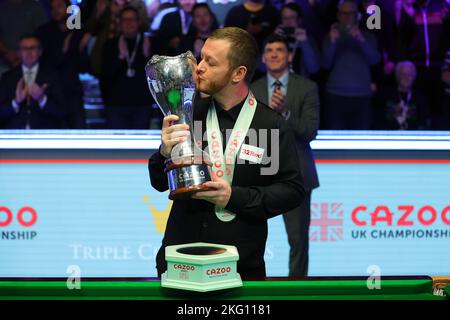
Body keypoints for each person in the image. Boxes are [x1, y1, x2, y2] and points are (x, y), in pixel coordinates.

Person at [148, 27, 306, 279]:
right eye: (201, 58)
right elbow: (158, 183)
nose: (199, 67)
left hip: (239, 268)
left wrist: (234, 197)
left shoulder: (268, 124)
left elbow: (291, 191)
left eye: (210, 62)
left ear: (238, 73)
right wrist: (163, 153)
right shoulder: (188, 113)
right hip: (179, 263)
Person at [251, 33, 319, 277]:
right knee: (250, 237)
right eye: (269, 51)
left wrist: (286, 113)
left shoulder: (307, 87)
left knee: (298, 240)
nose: (274, 54)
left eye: (279, 50)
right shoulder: (252, 89)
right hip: (258, 173)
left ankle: (297, 290)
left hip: (297, 174)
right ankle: (253, 285)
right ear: (263, 58)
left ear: (289, 56)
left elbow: (310, 132)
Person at [322, 0, 380, 129]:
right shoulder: (331, 36)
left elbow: (375, 60)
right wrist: (332, 43)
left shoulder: (368, 36)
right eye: (343, 13)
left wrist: (361, 40)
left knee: (361, 141)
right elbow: (325, 64)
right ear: (338, 15)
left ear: (357, 16)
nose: (347, 17)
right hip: (335, 94)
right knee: (336, 141)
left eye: (350, 13)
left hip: (362, 95)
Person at [100, 6, 155, 129]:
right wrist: (120, 57)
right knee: (116, 145)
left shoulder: (150, 43)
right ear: (119, 23)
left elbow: (157, 78)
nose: (129, 23)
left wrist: (147, 57)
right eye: (125, 20)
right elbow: (105, 76)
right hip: (116, 105)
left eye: (132, 19)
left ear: (139, 22)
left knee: (140, 144)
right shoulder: (110, 44)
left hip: (142, 104)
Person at [36, 0, 86, 129]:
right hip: (50, 92)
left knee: (79, 134)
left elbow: (84, 65)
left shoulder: (78, 32)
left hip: (72, 91)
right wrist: (64, 50)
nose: (55, 10)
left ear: (69, 9)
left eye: (59, 6)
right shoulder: (43, 32)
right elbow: (45, 62)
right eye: (53, 7)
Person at [0, 35, 65, 129]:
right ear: (19, 53)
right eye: (24, 48)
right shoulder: (8, 77)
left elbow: (62, 112)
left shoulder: (53, 76)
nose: (29, 52)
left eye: (33, 48)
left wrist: (42, 99)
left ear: (40, 52)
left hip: (44, 135)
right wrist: (16, 102)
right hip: (15, 136)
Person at [375, 61, 429, 130]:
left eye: (409, 75)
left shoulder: (420, 98)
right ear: (397, 76)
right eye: (403, 74)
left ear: (414, 77)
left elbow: (425, 121)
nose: (406, 77)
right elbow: (378, 120)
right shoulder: (385, 95)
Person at [0, 0, 48, 76]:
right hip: (3, 62)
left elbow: (43, 34)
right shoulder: (2, 7)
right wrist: (7, 53)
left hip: (31, 62)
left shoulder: (34, 6)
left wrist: (26, 54)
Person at [274, 2, 320, 78]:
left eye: (292, 17)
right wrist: (274, 40)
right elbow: (262, 68)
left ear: (299, 20)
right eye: (285, 18)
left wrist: (304, 42)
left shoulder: (308, 41)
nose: (288, 22)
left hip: (299, 86)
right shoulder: (274, 39)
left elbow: (314, 69)